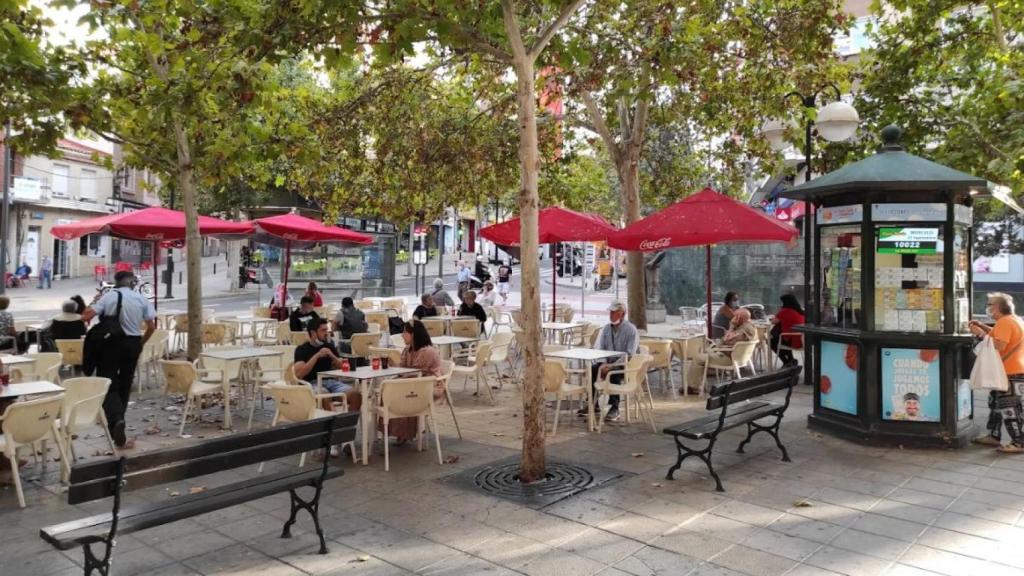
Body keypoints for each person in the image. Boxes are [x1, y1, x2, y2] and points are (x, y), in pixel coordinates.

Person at [82, 270, 156, 448]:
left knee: (107, 382)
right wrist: (141, 343)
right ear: (132, 283)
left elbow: (86, 316)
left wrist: (94, 301)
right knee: (125, 383)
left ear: (116, 282)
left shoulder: (109, 297)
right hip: (132, 344)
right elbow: (151, 326)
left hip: (111, 343)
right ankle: (120, 420)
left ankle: (115, 420)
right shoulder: (141, 299)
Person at [968, 292, 1024, 453]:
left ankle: (1018, 442)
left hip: (1009, 372)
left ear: (998, 308)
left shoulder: (1005, 322)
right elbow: (997, 335)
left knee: (1009, 408)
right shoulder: (1014, 319)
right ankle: (993, 435)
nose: (988, 307)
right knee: (996, 404)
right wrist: (983, 326)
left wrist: (980, 334)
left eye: (990, 304)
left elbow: (1000, 345)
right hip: (1013, 370)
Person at [386, 320, 444, 442]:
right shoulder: (408, 350)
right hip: (414, 383)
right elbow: (404, 370)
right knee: (389, 390)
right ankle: (399, 431)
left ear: (413, 334)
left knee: (401, 393)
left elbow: (416, 372)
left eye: (405, 332)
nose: (402, 335)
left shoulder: (427, 351)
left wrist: (398, 371)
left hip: (429, 386)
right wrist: (393, 365)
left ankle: (404, 433)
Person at [581, 301, 639, 422]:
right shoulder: (606, 329)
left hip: (625, 366)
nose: (611, 315)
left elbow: (629, 354)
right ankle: (593, 403)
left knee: (613, 373)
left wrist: (611, 366)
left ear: (622, 314)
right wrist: (603, 364)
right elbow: (601, 348)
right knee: (593, 369)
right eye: (610, 312)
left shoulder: (631, 330)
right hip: (607, 362)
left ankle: (615, 407)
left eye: (614, 313)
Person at [293, 318, 362, 414]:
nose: (326, 333)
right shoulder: (302, 349)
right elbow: (299, 374)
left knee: (356, 395)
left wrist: (332, 356)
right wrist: (316, 356)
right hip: (312, 383)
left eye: (327, 330)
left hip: (332, 382)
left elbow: (343, 367)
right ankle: (333, 425)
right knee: (324, 395)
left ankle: (348, 423)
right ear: (313, 333)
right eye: (323, 330)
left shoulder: (329, 346)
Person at [686, 308, 757, 395]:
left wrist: (731, 326)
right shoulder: (749, 326)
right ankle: (696, 383)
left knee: (698, 358)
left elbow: (726, 340)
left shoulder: (744, 330)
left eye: (735, 316)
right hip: (737, 356)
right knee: (706, 351)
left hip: (728, 358)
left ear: (740, 318)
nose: (732, 318)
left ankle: (693, 387)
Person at [771, 294, 805, 367]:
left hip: (792, 341)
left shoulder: (784, 311)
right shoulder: (800, 311)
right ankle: (791, 360)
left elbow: (773, 322)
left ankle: (786, 361)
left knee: (771, 341)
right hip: (802, 340)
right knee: (779, 338)